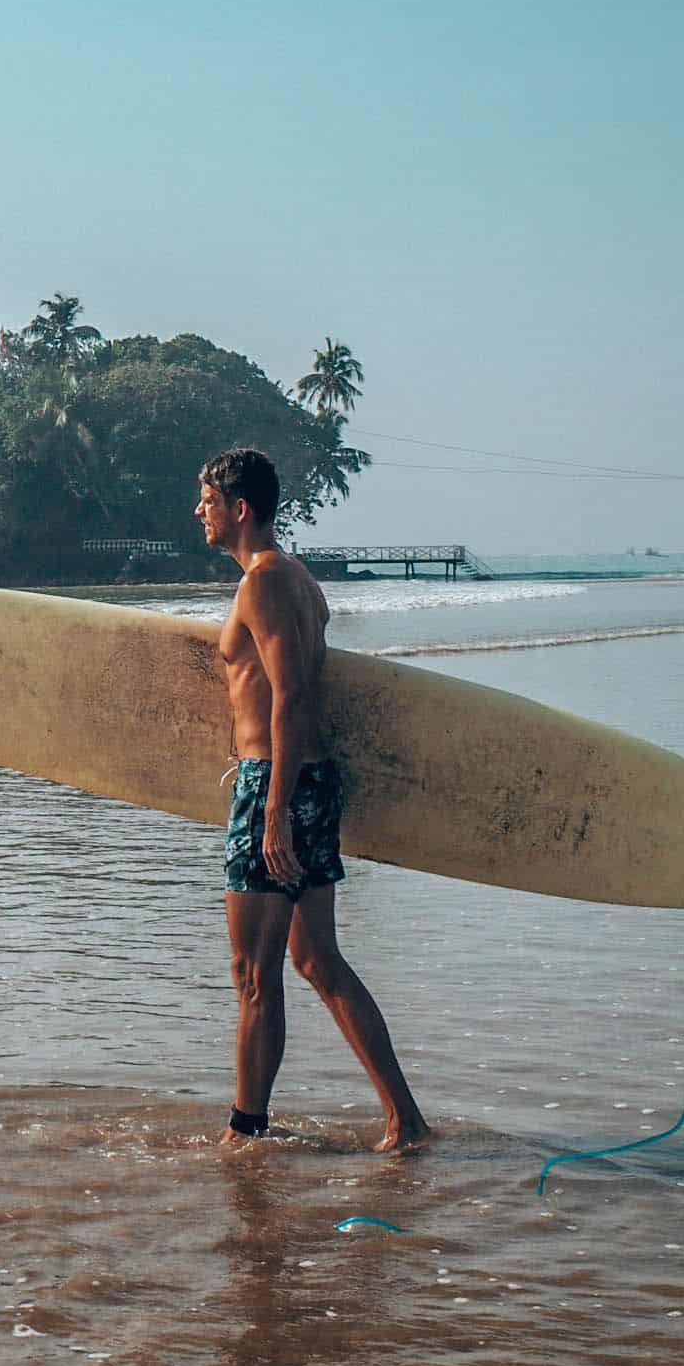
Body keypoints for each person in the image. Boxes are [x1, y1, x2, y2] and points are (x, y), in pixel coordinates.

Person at [194, 446, 428, 1152]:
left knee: (253, 972)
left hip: (279, 782)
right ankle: (405, 1120)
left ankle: (246, 1131)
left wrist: (271, 813)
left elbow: (291, 698)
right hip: (312, 781)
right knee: (316, 959)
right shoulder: (301, 579)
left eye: (207, 500)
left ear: (240, 508)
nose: (198, 511)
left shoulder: (262, 584)